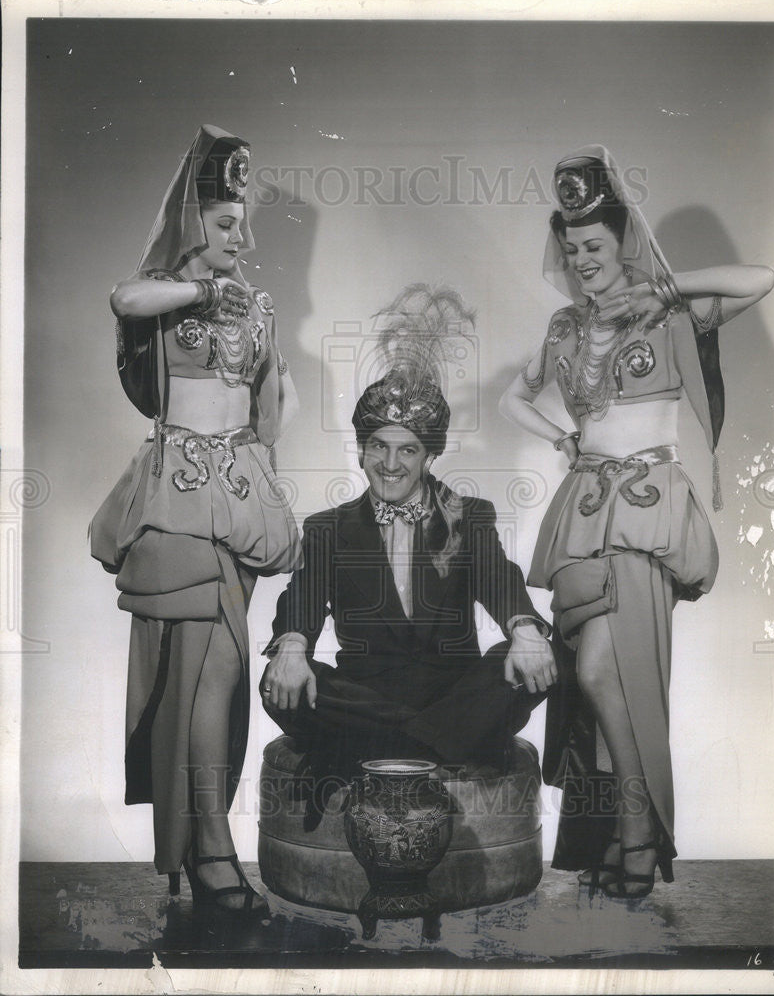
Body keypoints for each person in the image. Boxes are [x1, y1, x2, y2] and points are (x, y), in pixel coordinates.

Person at [499, 146, 774, 898]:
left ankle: (637, 836)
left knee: (608, 671)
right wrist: (559, 437)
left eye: (594, 245)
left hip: (647, 509)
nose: (581, 260)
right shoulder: (562, 327)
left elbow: (762, 279)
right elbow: (511, 400)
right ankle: (625, 833)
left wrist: (666, 285)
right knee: (588, 680)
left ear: (623, 240)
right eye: (571, 248)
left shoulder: (667, 307)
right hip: (583, 512)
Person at [90, 125, 301, 917]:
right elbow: (124, 297)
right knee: (203, 673)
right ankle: (210, 847)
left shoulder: (260, 306)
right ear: (191, 221)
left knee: (215, 674)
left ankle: (202, 842)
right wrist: (202, 289)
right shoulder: (164, 292)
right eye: (223, 223)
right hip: (176, 495)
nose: (240, 237)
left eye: (244, 222)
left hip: (239, 497)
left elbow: (269, 413)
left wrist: (272, 496)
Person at [260, 286, 556, 796]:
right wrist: (291, 645)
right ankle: (440, 747)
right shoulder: (327, 528)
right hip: (364, 693)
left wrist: (525, 628)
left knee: (544, 659)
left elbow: (499, 579)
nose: (390, 465)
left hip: (456, 690)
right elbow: (302, 599)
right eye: (378, 446)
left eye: (407, 450)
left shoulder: (469, 517)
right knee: (278, 683)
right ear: (360, 449)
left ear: (429, 456)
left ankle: (374, 748)